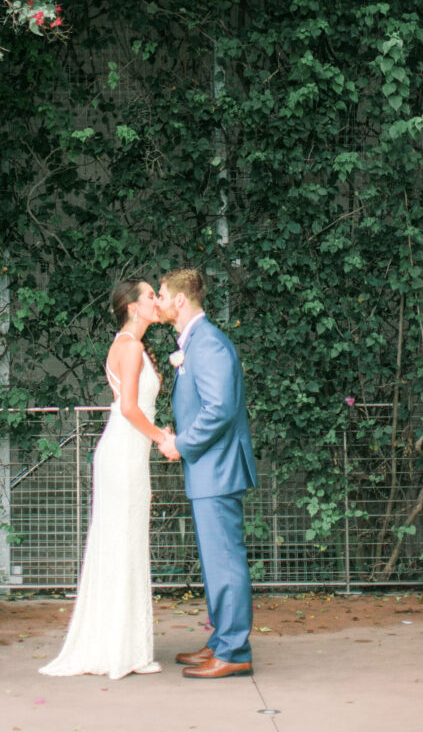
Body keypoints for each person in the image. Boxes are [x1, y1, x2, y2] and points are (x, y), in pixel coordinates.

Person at [40, 278, 166, 679]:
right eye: (150, 296)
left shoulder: (134, 346)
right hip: (124, 454)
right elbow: (128, 407)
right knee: (121, 544)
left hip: (130, 454)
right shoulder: (128, 347)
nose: (156, 301)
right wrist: (163, 437)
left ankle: (127, 647)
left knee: (127, 545)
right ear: (132, 306)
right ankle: (118, 650)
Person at [156, 268, 258, 679]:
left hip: (217, 470)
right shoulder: (196, 342)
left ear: (180, 300)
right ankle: (221, 641)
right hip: (208, 471)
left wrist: (180, 444)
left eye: (162, 294)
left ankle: (234, 651)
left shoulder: (209, 343)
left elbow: (219, 409)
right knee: (216, 562)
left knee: (226, 562)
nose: (159, 301)